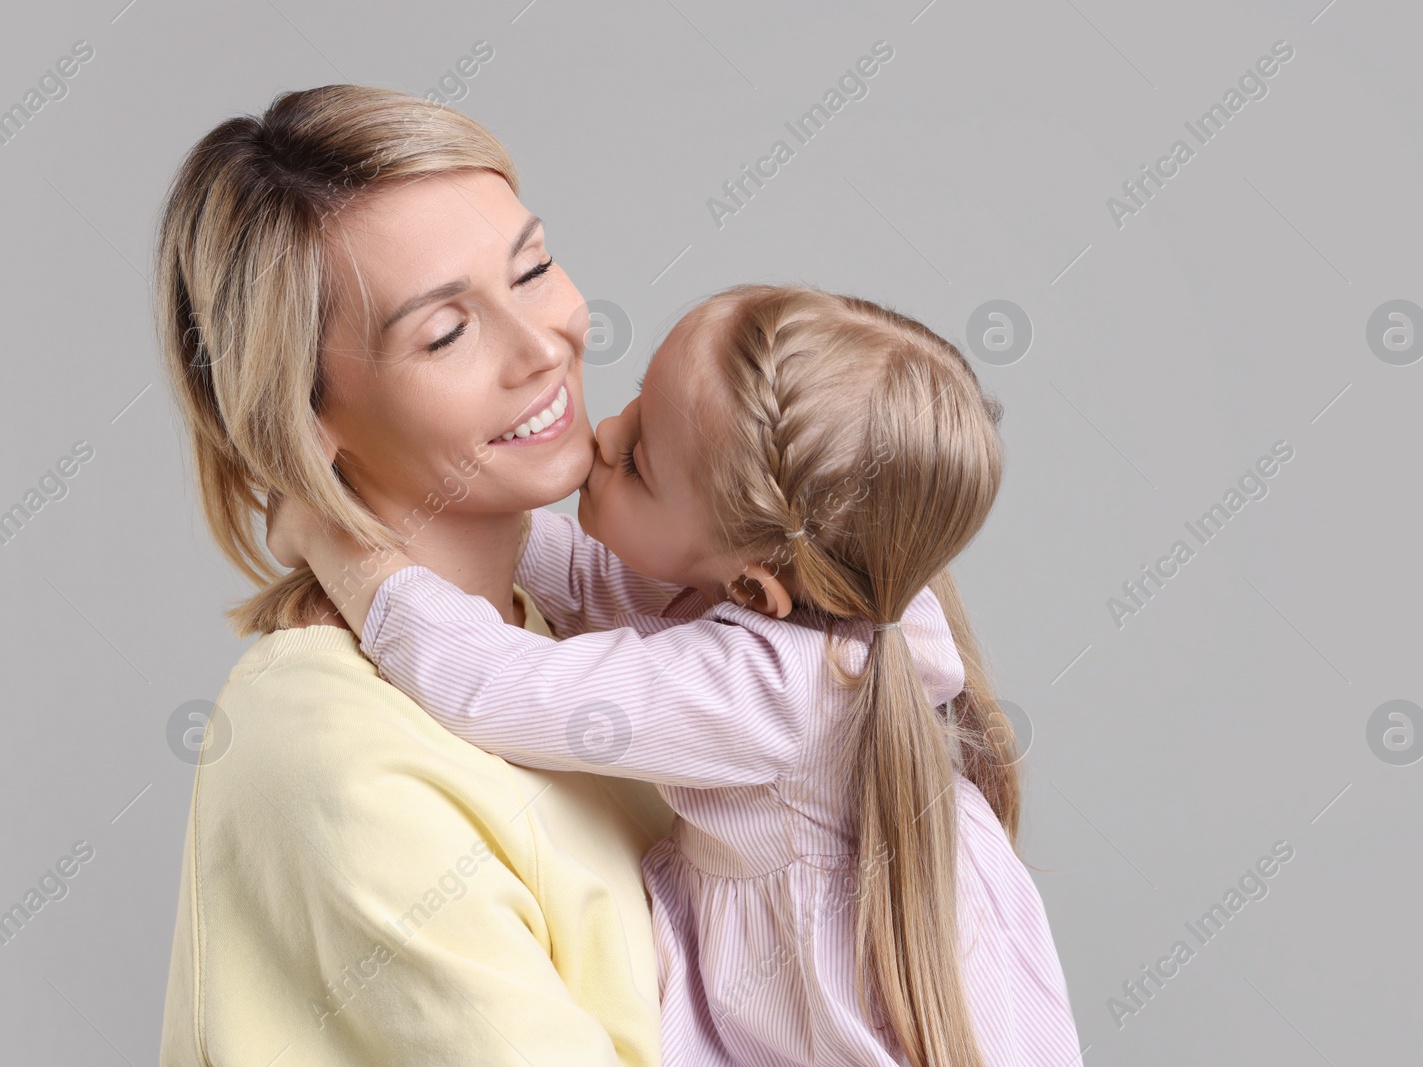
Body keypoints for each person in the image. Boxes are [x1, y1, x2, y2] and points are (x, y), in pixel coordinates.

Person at [272, 285, 1083, 1066]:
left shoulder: (763, 690)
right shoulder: (826, 597)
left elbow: (498, 686)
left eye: (639, 462)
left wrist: (341, 544)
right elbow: (596, 582)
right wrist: (434, 504)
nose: (606, 434)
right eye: (633, 402)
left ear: (753, 589)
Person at [154, 85, 677, 1065]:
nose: (542, 346)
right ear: (307, 420)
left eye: (531, 268)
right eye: (444, 332)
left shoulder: (572, 627)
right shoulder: (336, 754)